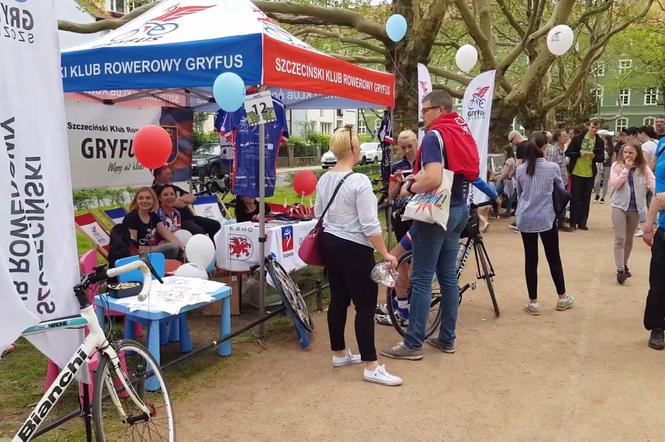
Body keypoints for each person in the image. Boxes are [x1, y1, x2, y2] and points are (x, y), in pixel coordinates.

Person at [382, 90, 474, 360]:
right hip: (458, 209)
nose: (423, 117)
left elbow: (433, 178)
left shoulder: (435, 136)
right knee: (447, 276)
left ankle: (412, 344)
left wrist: (409, 187)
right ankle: (447, 337)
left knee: (421, 278)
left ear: (440, 110)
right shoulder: (461, 131)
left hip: (435, 212)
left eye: (426, 110)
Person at [316, 125, 402, 386]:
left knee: (339, 300)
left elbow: (317, 214)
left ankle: (339, 352)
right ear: (354, 149)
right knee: (365, 306)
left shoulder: (324, 178)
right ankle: (371, 364)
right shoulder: (359, 181)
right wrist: (385, 252)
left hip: (329, 243)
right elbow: (369, 224)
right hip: (354, 247)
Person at [516, 132, 574, 315]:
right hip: (546, 217)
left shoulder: (520, 169)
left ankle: (533, 302)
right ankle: (562, 297)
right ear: (544, 148)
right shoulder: (552, 167)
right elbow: (561, 187)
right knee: (553, 257)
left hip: (526, 218)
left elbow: (519, 194)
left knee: (530, 259)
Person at [610, 143, 655, 284]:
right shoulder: (616, 166)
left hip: (636, 208)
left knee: (629, 239)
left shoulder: (643, 168)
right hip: (619, 206)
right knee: (620, 238)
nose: (627, 155)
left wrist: (659, 193)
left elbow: (652, 183)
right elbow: (615, 184)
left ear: (637, 154)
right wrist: (626, 170)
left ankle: (624, 263)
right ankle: (620, 269)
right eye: (625, 152)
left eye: (631, 152)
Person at [152, 166, 221, 241]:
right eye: (168, 174)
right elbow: (164, 205)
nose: (171, 176)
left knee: (215, 225)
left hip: (190, 217)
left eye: (171, 173)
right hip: (179, 221)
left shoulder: (173, 187)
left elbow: (192, 198)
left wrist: (178, 200)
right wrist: (181, 201)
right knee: (198, 231)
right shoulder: (153, 191)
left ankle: (212, 247)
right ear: (158, 176)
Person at [641, 140, 665, 349]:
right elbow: (659, 194)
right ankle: (657, 327)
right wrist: (649, 225)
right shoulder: (663, 146)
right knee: (658, 281)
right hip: (664, 230)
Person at [565, 119, 604, 230]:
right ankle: (573, 222)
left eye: (596, 128)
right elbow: (568, 152)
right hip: (577, 171)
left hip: (590, 173)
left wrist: (594, 157)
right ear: (588, 126)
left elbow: (601, 158)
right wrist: (579, 154)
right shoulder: (578, 138)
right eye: (592, 127)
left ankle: (582, 222)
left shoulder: (599, 141)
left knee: (586, 199)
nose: (594, 130)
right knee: (575, 198)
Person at [124, 187, 183, 259]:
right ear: (136, 201)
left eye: (148, 198)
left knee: (176, 246)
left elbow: (167, 234)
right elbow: (133, 248)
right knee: (172, 247)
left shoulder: (153, 215)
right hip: (139, 256)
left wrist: (183, 248)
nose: (144, 201)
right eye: (141, 198)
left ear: (153, 200)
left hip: (151, 250)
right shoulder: (132, 218)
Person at [388, 130, 417, 241]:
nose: (407, 150)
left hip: (419, 211)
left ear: (416, 144)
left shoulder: (425, 162)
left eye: (410, 146)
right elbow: (391, 195)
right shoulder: (396, 166)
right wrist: (399, 183)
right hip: (401, 213)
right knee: (403, 246)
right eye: (403, 147)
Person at [495, 145, 517, 218]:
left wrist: (500, 178)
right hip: (510, 180)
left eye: (504, 151)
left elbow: (505, 172)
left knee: (495, 194)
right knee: (508, 197)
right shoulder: (513, 160)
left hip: (506, 181)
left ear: (507, 152)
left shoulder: (509, 161)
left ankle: (495, 211)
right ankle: (508, 212)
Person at [593, 135, 614, 203]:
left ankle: (603, 197)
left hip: (607, 166)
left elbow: (613, 157)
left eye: (605, 139)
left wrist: (612, 165)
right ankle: (597, 194)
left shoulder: (611, 148)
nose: (603, 140)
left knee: (605, 181)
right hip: (599, 165)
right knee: (597, 181)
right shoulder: (600, 146)